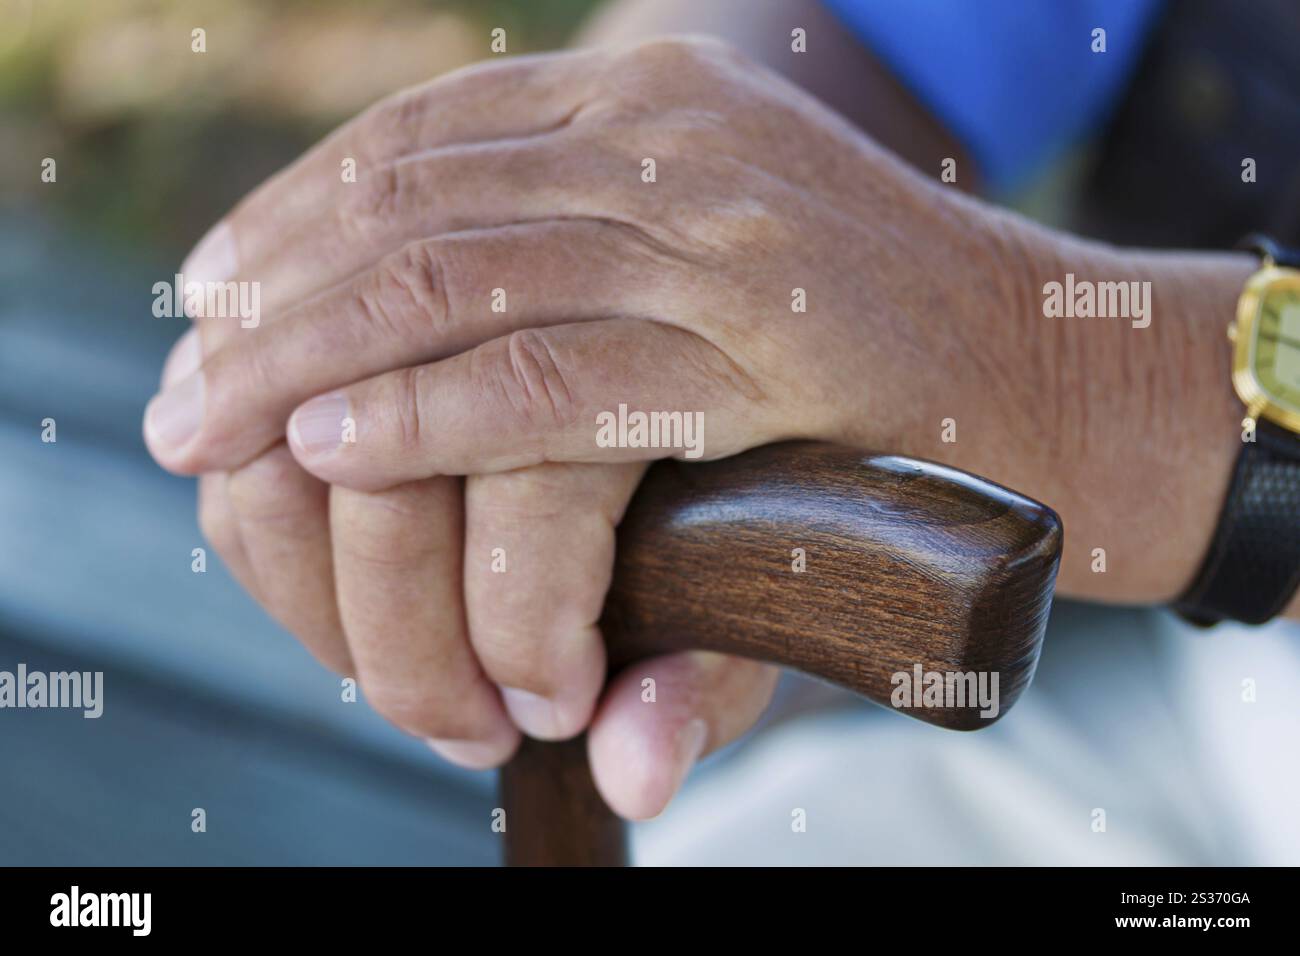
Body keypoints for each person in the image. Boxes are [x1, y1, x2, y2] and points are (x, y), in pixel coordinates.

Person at [141, 0, 1300, 824]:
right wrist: (629, 220)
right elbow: (869, 28)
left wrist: (1059, 374)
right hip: (1188, 700)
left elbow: (1051, 388)